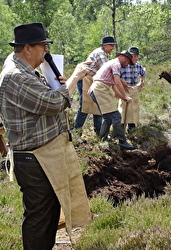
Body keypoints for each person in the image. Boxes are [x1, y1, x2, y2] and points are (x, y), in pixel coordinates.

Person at [0, 22, 92, 250]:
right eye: (43, 46)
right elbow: (53, 103)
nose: (46, 52)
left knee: (49, 212)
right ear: (28, 48)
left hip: (42, 156)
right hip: (34, 159)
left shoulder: (25, 71)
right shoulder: (15, 76)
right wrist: (74, 79)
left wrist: (60, 87)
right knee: (40, 217)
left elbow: (48, 99)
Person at [89, 50, 136, 150]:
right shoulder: (116, 64)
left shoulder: (112, 63)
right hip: (100, 89)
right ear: (124, 58)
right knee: (116, 116)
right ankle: (122, 141)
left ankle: (103, 139)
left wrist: (121, 96)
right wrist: (125, 96)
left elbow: (114, 85)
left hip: (98, 89)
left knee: (108, 118)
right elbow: (117, 82)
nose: (127, 65)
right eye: (127, 62)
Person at [73, 36, 117, 140]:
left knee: (98, 107)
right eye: (111, 45)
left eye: (113, 46)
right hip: (86, 80)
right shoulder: (101, 54)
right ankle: (76, 133)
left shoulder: (104, 54)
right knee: (84, 107)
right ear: (105, 45)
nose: (113, 48)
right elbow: (106, 72)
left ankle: (99, 133)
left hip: (93, 81)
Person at [118, 46, 146, 131]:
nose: (136, 58)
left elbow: (143, 73)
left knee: (133, 108)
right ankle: (120, 128)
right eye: (134, 55)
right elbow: (116, 77)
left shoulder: (138, 65)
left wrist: (141, 82)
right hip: (124, 89)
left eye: (137, 56)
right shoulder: (123, 64)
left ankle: (131, 128)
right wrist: (121, 85)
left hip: (134, 89)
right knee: (123, 108)